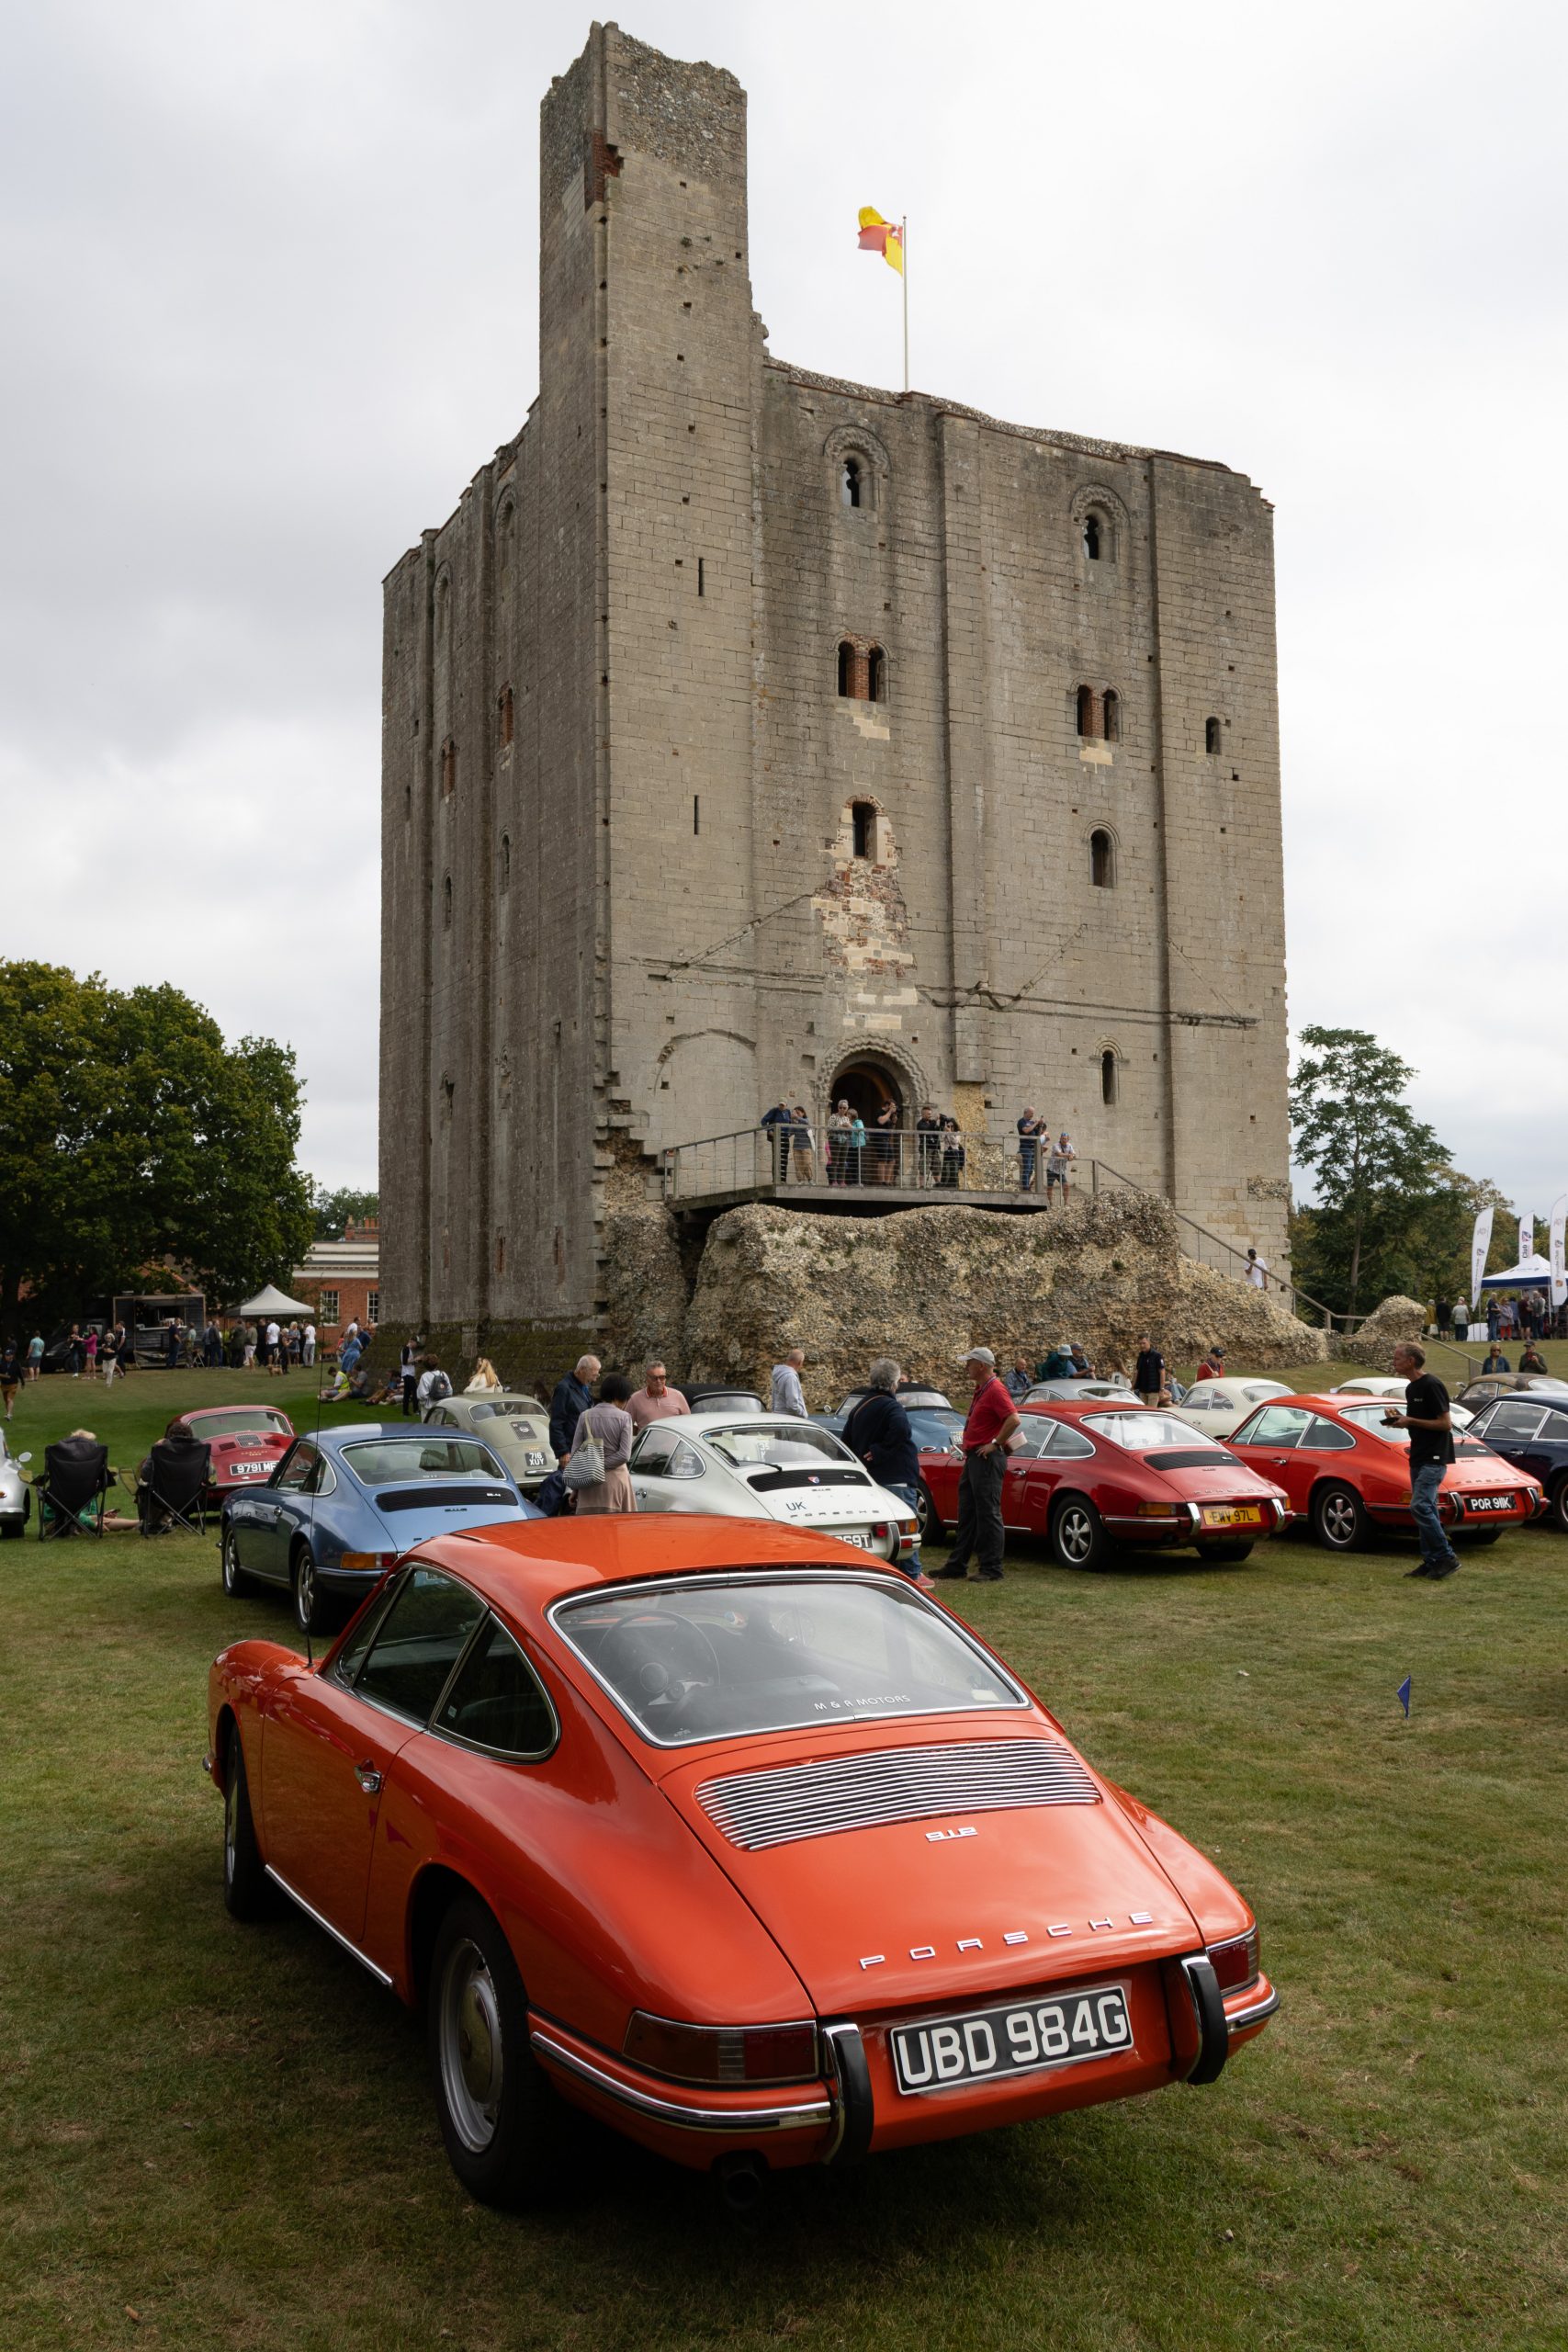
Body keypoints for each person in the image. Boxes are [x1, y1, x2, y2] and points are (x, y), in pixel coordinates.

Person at [842, 1360, 936, 1591]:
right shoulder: (891, 1407)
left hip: (874, 1476)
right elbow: (902, 1430)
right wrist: (880, 1451)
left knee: (882, 1526)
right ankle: (912, 1573)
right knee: (905, 1525)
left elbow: (845, 1441)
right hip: (896, 1474)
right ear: (894, 1383)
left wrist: (863, 1458)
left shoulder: (861, 1407)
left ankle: (889, 1568)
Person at [934, 1347, 1019, 1584]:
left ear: (981, 1365)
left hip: (986, 1458)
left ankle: (992, 1568)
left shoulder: (995, 1390)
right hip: (975, 1457)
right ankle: (957, 1565)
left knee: (988, 1513)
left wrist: (994, 1443)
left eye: (970, 1363)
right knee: (968, 1512)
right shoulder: (983, 1389)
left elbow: (1013, 1418)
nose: (967, 1367)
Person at [1383, 1343, 1460, 1579]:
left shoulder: (1432, 1385)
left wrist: (1411, 1421)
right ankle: (1431, 1561)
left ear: (1412, 1361)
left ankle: (1446, 1556)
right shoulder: (1411, 1388)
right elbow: (1417, 1422)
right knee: (1427, 1510)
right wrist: (1400, 1420)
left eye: (1398, 1357)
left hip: (1434, 1457)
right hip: (1418, 1455)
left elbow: (1445, 1424)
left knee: (1420, 1506)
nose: (1394, 1360)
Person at [570, 1372, 637, 1513]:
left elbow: (575, 1453)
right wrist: (600, 1466)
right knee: (616, 1531)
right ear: (622, 1397)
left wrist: (576, 1488)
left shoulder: (585, 1416)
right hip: (615, 1484)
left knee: (588, 1532)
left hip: (588, 1486)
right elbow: (624, 1455)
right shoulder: (624, 1418)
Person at [550, 1354, 601, 1460]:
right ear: (582, 1370)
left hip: (584, 1449)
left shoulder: (584, 1387)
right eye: (593, 1375)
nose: (595, 1380)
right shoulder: (564, 1389)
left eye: (597, 1375)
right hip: (570, 1450)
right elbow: (556, 1423)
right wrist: (563, 1452)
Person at [626, 1361, 692, 1430]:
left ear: (665, 1378)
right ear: (647, 1379)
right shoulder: (635, 1399)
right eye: (654, 1378)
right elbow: (625, 1425)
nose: (658, 1381)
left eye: (662, 1377)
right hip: (649, 1442)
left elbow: (688, 1423)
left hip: (674, 1441)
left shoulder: (678, 1396)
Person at [761, 1099, 795, 1183]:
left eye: (783, 1105)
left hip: (785, 1137)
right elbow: (763, 1120)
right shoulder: (774, 1111)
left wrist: (790, 1132)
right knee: (776, 1157)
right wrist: (769, 1130)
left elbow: (790, 1123)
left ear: (786, 1105)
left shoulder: (788, 1112)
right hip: (776, 1136)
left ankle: (783, 1179)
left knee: (784, 1157)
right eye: (780, 1105)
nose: (781, 1106)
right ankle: (775, 1179)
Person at [770, 1348, 807, 1417]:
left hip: (778, 1416)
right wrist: (803, 1414)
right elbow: (792, 1404)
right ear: (800, 1363)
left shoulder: (779, 1374)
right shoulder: (790, 1377)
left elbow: (774, 1399)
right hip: (789, 1419)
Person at [1133, 1336, 1165, 1408]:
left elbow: (1162, 1372)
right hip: (1142, 1390)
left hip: (1153, 1391)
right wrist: (1133, 1386)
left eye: (1144, 1343)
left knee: (1151, 1413)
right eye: (1140, 1344)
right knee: (1142, 1412)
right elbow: (1137, 1372)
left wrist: (1162, 1389)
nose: (1142, 1346)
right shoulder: (1140, 1356)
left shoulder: (1157, 1356)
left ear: (1149, 1342)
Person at [872, 1099, 898, 1184]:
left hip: (887, 1139)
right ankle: (882, 1181)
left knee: (892, 1160)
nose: (894, 1108)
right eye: (892, 1106)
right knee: (882, 1160)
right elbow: (881, 1121)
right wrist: (890, 1112)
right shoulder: (879, 1111)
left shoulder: (889, 1115)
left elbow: (891, 1130)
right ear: (887, 1105)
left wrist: (894, 1122)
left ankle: (887, 1181)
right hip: (879, 1139)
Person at [826, 1101, 852, 1186]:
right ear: (838, 1107)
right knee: (834, 1161)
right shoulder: (833, 1116)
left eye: (844, 1108)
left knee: (843, 1161)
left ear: (847, 1109)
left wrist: (849, 1127)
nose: (842, 1109)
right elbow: (829, 1129)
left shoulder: (847, 1118)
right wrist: (841, 1126)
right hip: (834, 1140)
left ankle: (841, 1181)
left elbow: (851, 1132)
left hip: (845, 1141)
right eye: (840, 1107)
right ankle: (834, 1181)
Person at [916, 1103, 942, 1187]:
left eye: (930, 1114)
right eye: (928, 1114)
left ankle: (938, 1183)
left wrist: (942, 1123)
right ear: (923, 1114)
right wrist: (934, 1120)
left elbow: (938, 1130)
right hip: (926, 1148)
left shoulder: (932, 1122)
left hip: (934, 1148)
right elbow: (927, 1130)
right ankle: (922, 1186)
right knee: (923, 1167)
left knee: (936, 1167)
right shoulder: (920, 1124)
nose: (930, 1115)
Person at [791, 1106, 817, 1185]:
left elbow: (806, 1123)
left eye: (798, 1113)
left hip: (806, 1146)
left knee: (807, 1163)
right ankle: (801, 1180)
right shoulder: (795, 1122)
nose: (797, 1115)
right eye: (796, 1113)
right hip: (796, 1147)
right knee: (798, 1165)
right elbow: (790, 1133)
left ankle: (810, 1179)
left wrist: (796, 1117)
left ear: (803, 1113)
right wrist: (791, 1122)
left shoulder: (806, 1120)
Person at [1047, 1132, 1076, 1204]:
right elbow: (1059, 1154)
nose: (1064, 1140)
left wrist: (1072, 1156)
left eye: (1065, 1139)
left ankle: (1066, 1202)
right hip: (1052, 1169)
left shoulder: (1069, 1146)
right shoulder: (1055, 1145)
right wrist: (1070, 1155)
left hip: (1061, 1170)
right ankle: (1050, 1202)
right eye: (1062, 1139)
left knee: (1066, 1186)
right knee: (1050, 1187)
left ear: (1068, 1139)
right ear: (1060, 1139)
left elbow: (1073, 1154)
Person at [940, 1114, 964, 1189]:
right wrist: (945, 1132)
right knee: (946, 1170)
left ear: (955, 1125)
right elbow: (942, 1139)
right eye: (949, 1125)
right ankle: (945, 1185)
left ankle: (954, 1186)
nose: (951, 1127)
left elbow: (956, 1141)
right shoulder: (946, 1131)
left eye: (952, 1126)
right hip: (947, 1152)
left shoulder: (957, 1132)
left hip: (955, 1152)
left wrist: (950, 1133)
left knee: (954, 1169)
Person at [400, 1338, 423, 1417]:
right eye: (416, 1343)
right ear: (412, 1342)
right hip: (408, 1374)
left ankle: (405, 1412)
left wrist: (416, 1360)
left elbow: (408, 1362)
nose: (416, 1346)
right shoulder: (406, 1349)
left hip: (408, 1374)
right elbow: (405, 1362)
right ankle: (416, 1410)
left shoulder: (408, 1350)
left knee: (407, 1393)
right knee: (415, 1391)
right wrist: (415, 1359)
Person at [847, 1110, 867, 1186]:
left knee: (857, 1163)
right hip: (850, 1145)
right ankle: (852, 1182)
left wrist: (850, 1127)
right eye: (847, 1114)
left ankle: (858, 1182)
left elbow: (861, 1131)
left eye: (849, 1114)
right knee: (851, 1164)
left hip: (858, 1145)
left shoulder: (858, 1122)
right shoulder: (848, 1122)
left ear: (853, 1115)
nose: (847, 1115)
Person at [0, 1342, 19, 1420]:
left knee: (9, 1399)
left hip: (13, 1384)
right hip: (4, 1385)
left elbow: (19, 1372)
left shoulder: (15, 1363)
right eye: (6, 1355)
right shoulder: (2, 1363)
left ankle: (8, 1414)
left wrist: (23, 1381)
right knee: (6, 1400)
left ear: (12, 1355)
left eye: (8, 1355)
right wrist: (4, 1376)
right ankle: (9, 1414)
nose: (7, 1356)